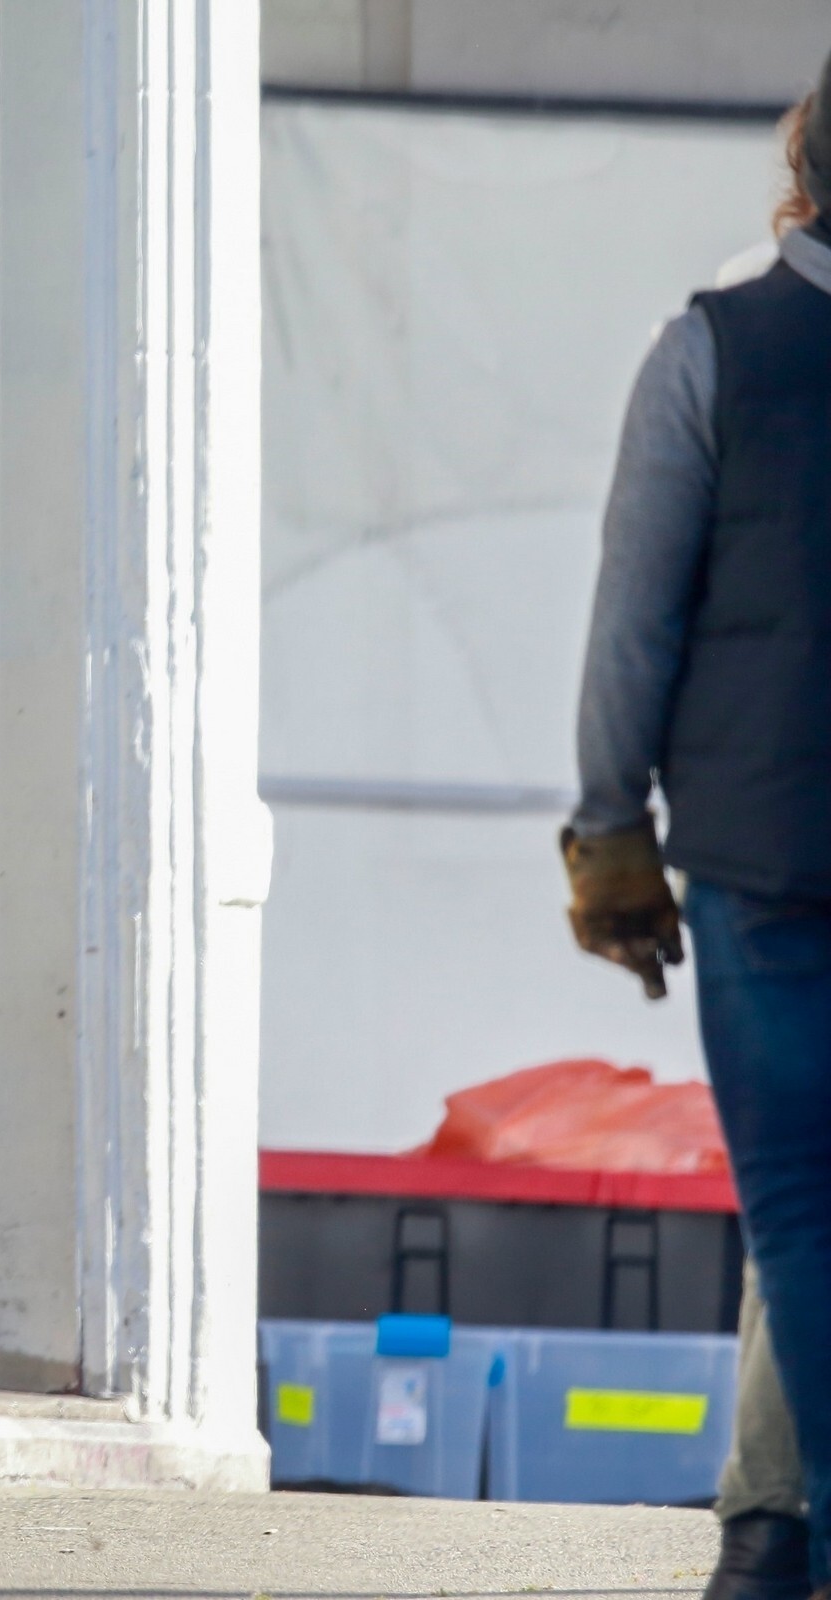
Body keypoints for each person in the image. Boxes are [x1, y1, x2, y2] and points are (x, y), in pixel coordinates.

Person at [566, 67, 831, 1600]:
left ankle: (779, 1529)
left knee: (799, 1215)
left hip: (759, 851)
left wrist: (612, 830)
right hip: (756, 854)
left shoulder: (713, 350)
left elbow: (634, 623)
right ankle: (775, 1523)